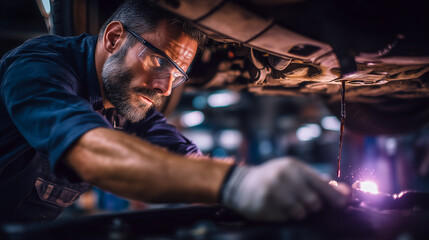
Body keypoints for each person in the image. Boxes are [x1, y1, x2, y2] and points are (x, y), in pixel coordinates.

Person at [0, 0, 349, 222]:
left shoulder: (123, 98)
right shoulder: (39, 68)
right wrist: (235, 186)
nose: (165, 88)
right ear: (114, 38)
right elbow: (85, 149)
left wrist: (275, 185)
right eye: (158, 61)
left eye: (177, 75)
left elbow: (186, 156)